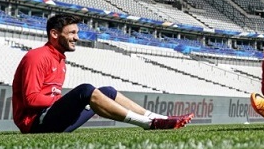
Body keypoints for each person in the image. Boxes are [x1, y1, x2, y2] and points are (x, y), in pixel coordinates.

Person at [12, 13, 193, 133]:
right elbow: (31, 99)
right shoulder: (36, 57)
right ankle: (149, 124)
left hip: (53, 121)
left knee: (108, 91)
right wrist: (64, 101)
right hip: (36, 125)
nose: (77, 37)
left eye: (77, 32)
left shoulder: (60, 59)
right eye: (72, 33)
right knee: (86, 90)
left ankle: (157, 118)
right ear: (54, 34)